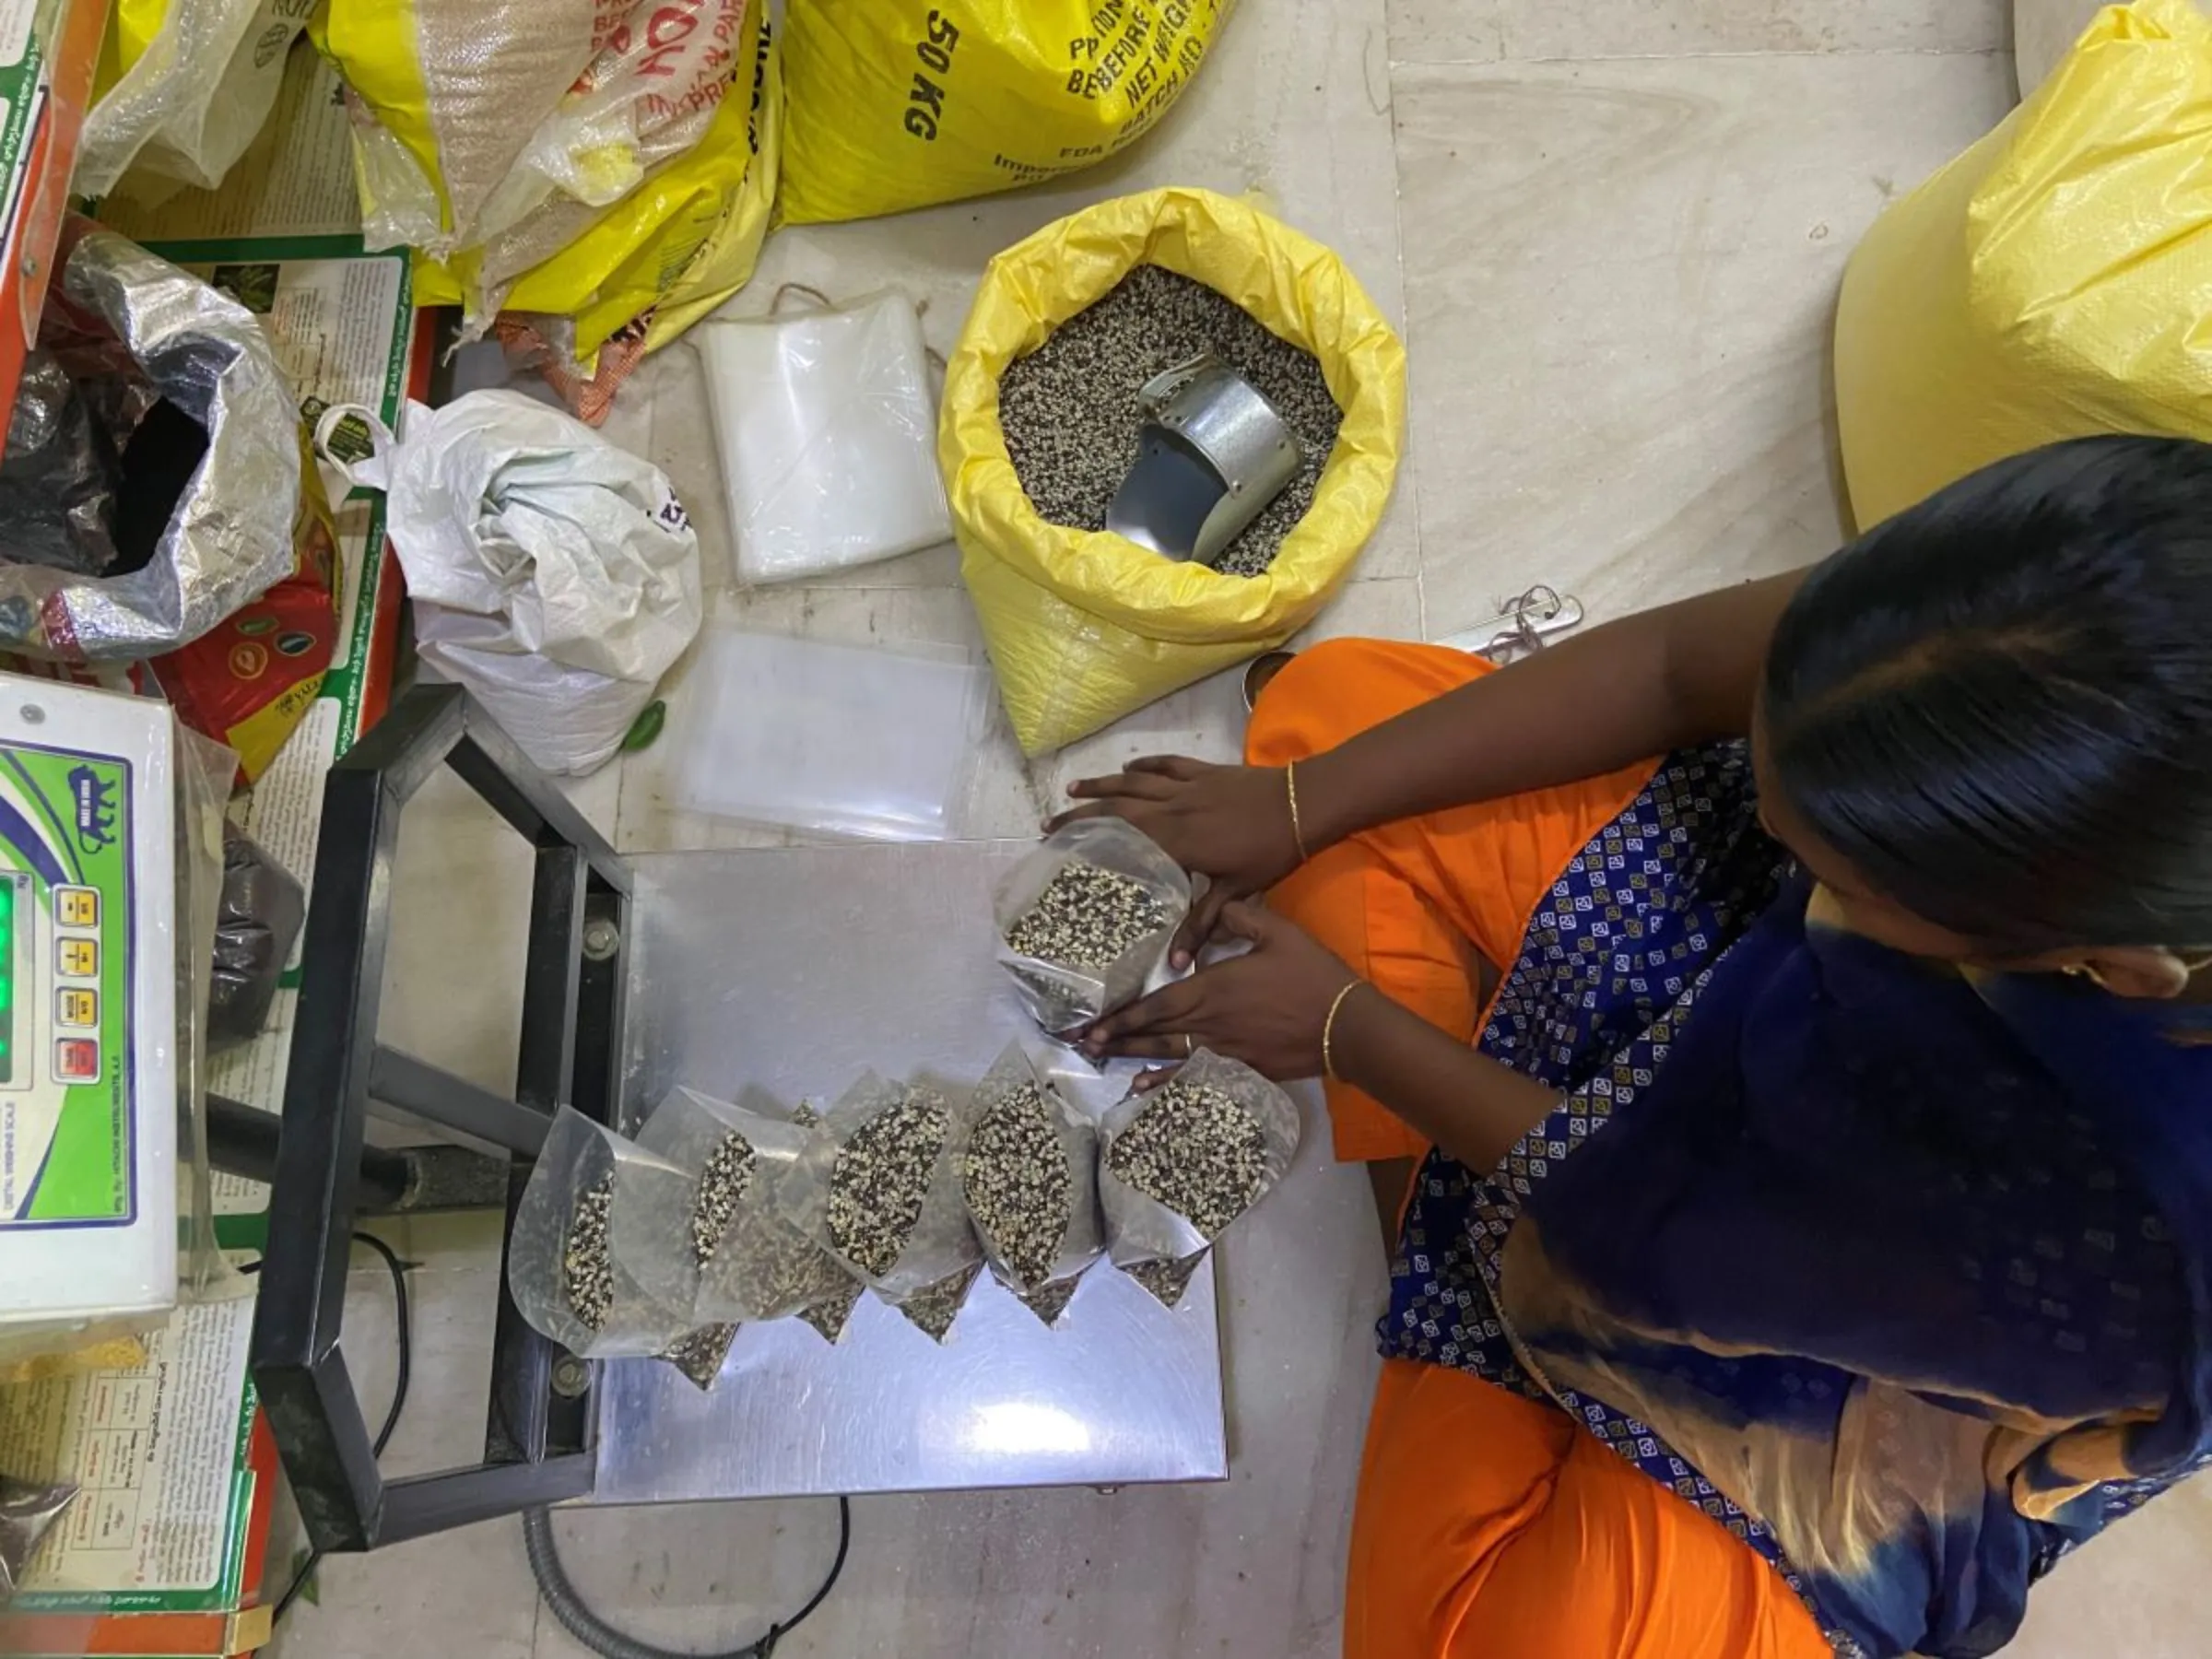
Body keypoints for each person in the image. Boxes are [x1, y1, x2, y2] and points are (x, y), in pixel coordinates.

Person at [1052, 435, 2212, 1659]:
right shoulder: (2049, 610)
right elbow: (1671, 672)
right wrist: (1299, 804)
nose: (1784, 836)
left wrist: (1351, 1034)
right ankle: (1469, 1180)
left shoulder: (2132, 1250)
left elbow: (1674, 1241)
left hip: (1846, 1368)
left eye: (1847, 879)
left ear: (2110, 970)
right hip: (1749, 1002)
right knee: (1331, 718)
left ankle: (1455, 1219)